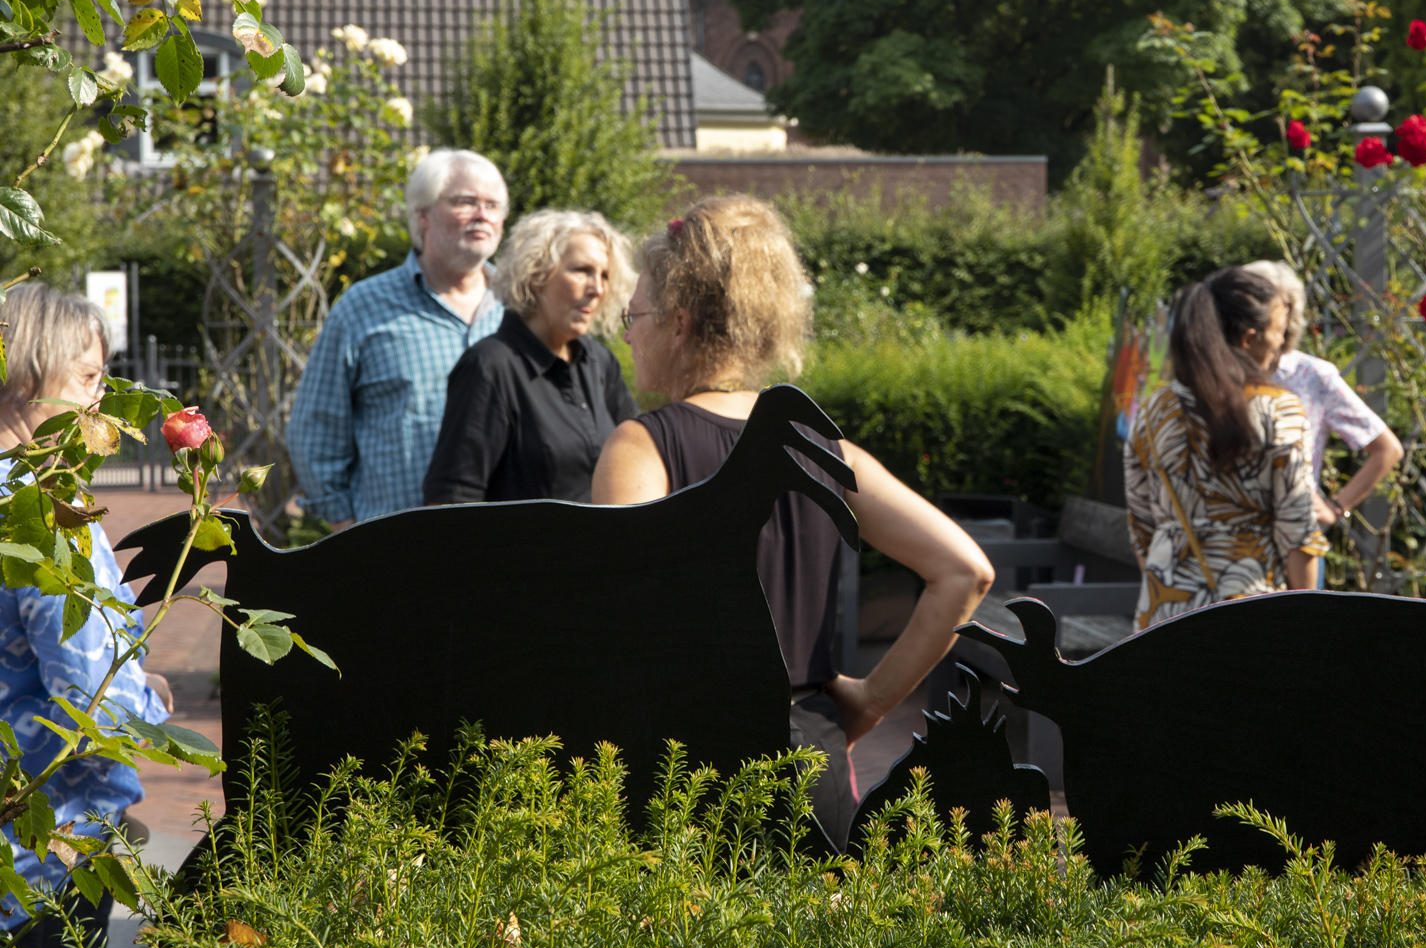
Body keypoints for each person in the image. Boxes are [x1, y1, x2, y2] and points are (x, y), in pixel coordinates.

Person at [590, 195, 994, 844]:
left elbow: (618, 617)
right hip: (814, 760)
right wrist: (870, 701)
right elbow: (964, 571)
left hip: (688, 768)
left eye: (632, 316)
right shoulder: (826, 451)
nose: (627, 335)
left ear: (678, 323)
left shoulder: (641, 446)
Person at [0, 285, 171, 948]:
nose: (101, 400)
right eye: (89, 378)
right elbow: (95, 698)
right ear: (29, 375)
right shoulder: (45, 512)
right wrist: (148, 701)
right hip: (46, 849)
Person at [287, 149, 507, 528]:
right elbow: (316, 430)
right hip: (397, 548)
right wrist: (347, 529)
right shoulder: (364, 307)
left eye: (492, 205)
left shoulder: (521, 307)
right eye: (465, 202)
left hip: (506, 546)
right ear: (422, 214)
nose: (483, 214)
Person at [1124, 267, 1325, 628]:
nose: (1282, 344)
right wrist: (1308, 626)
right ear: (1249, 339)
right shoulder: (1279, 411)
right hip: (1248, 612)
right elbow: (1298, 535)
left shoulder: (1153, 411)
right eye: (1279, 332)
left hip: (1161, 615)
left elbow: (1141, 528)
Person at [424, 210, 639, 504]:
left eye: (605, 275)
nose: (597, 289)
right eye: (582, 270)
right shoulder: (489, 367)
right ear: (537, 273)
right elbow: (452, 499)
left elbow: (635, 451)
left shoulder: (598, 361)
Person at [1239, 260, 1404, 546]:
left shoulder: (1312, 375)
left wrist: (1336, 508)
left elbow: (1387, 449)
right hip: (1230, 541)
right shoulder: (1223, 373)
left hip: (1293, 540)